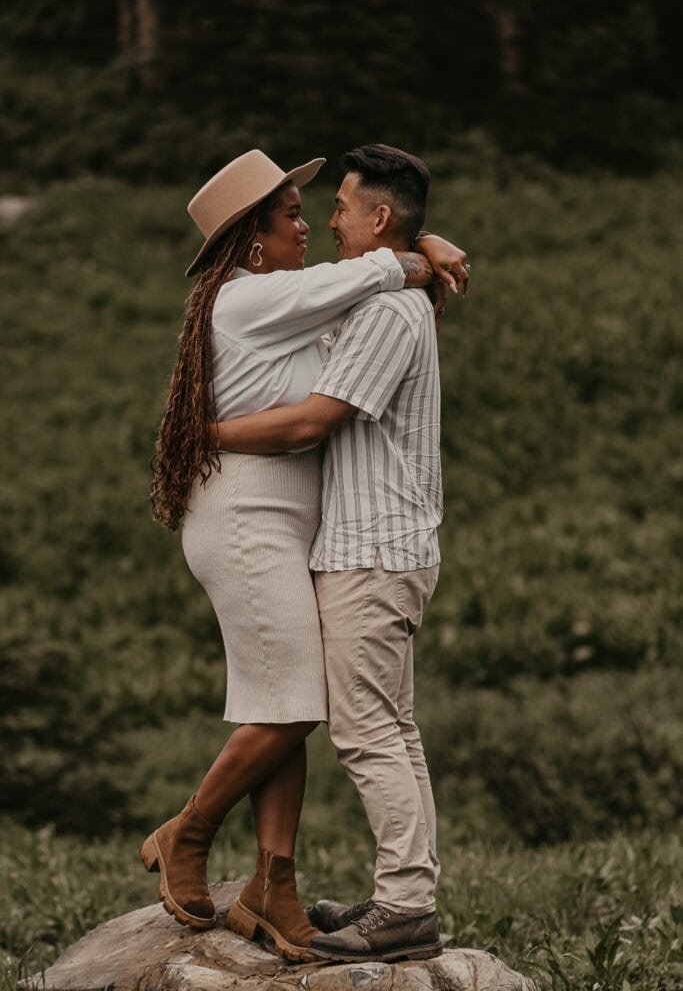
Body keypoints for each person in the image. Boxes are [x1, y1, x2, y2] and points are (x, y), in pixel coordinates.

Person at [141, 148, 466, 962]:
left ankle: (272, 883)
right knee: (293, 707)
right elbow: (311, 407)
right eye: (289, 213)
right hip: (250, 511)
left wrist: (422, 253)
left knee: (290, 705)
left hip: (303, 522)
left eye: (321, 209)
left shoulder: (300, 304)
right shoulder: (251, 296)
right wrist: (422, 250)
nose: (310, 223)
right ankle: (187, 834)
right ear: (251, 239)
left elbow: (374, 296)